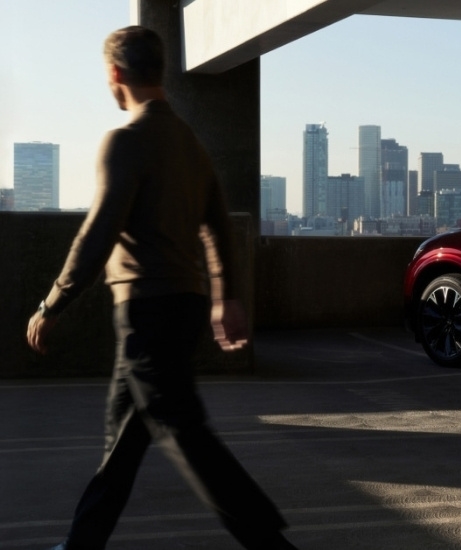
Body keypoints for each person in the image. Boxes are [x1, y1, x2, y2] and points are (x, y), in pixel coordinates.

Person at [25, 26, 296, 550]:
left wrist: (52, 302)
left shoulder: (125, 140)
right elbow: (217, 221)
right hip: (184, 303)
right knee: (123, 436)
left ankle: (270, 541)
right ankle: (83, 543)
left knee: (183, 432)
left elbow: (99, 231)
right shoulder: (190, 141)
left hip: (147, 308)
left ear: (115, 74)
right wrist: (226, 297)